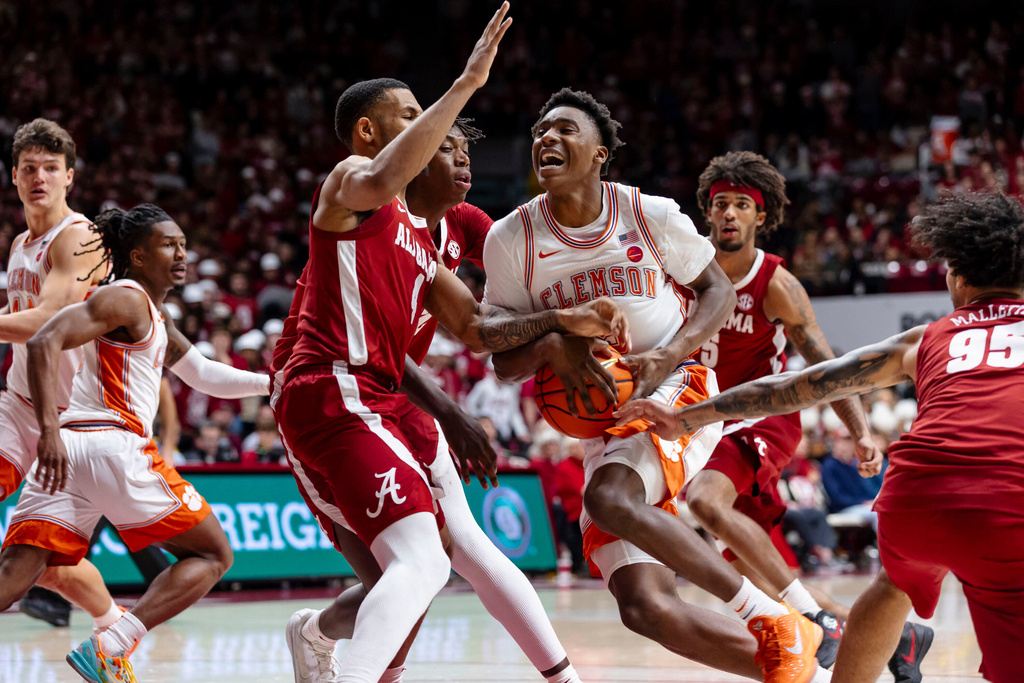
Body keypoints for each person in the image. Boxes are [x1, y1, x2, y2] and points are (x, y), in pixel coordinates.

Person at [275, 7, 625, 682]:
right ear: (371, 132)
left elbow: (476, 329)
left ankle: (563, 677)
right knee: (418, 564)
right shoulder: (351, 181)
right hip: (330, 386)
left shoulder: (427, 237)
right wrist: (466, 81)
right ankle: (341, 655)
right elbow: (381, 180)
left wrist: (570, 319)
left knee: (457, 548)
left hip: (385, 393)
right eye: (414, 118)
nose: (449, 144)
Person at [484, 88, 827, 682]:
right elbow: (502, 359)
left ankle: (773, 615)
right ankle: (815, 673)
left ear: (599, 155)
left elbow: (717, 291)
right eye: (541, 130)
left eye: (566, 130)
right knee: (645, 607)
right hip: (604, 425)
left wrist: (669, 352)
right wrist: (552, 339)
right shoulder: (510, 241)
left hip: (676, 386)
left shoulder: (650, 213)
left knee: (608, 499)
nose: (548, 139)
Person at [615, 192, 1024, 683]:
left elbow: (795, 385)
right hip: (1007, 506)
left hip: (914, 500)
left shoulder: (925, 337)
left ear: (956, 278)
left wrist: (685, 418)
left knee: (894, 582)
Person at [679, 151, 930, 675]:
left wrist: (860, 431)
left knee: (704, 502)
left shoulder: (775, 283)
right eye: (720, 203)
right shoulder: (679, 268)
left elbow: (830, 367)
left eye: (741, 205)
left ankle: (816, 614)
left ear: (760, 217)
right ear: (706, 211)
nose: (729, 213)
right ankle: (900, 640)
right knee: (761, 575)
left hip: (762, 417)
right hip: (702, 425)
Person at [0, 204, 270, 681]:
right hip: (110, 445)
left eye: (184, 243)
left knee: (15, 572)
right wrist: (44, 430)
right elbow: (43, 341)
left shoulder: (150, 310)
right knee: (214, 555)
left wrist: (271, 383)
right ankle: (113, 645)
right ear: (138, 256)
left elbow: (204, 374)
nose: (182, 252)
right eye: (169, 244)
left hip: (71, 451)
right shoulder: (125, 297)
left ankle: (110, 642)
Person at [0, 118, 124, 633]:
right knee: (45, 568)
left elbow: (45, 323)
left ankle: (113, 625)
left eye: (52, 168)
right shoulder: (19, 243)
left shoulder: (78, 238)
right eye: (30, 168)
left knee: (52, 567)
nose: (40, 177)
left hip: (72, 420)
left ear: (70, 177)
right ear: (14, 176)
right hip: (21, 405)